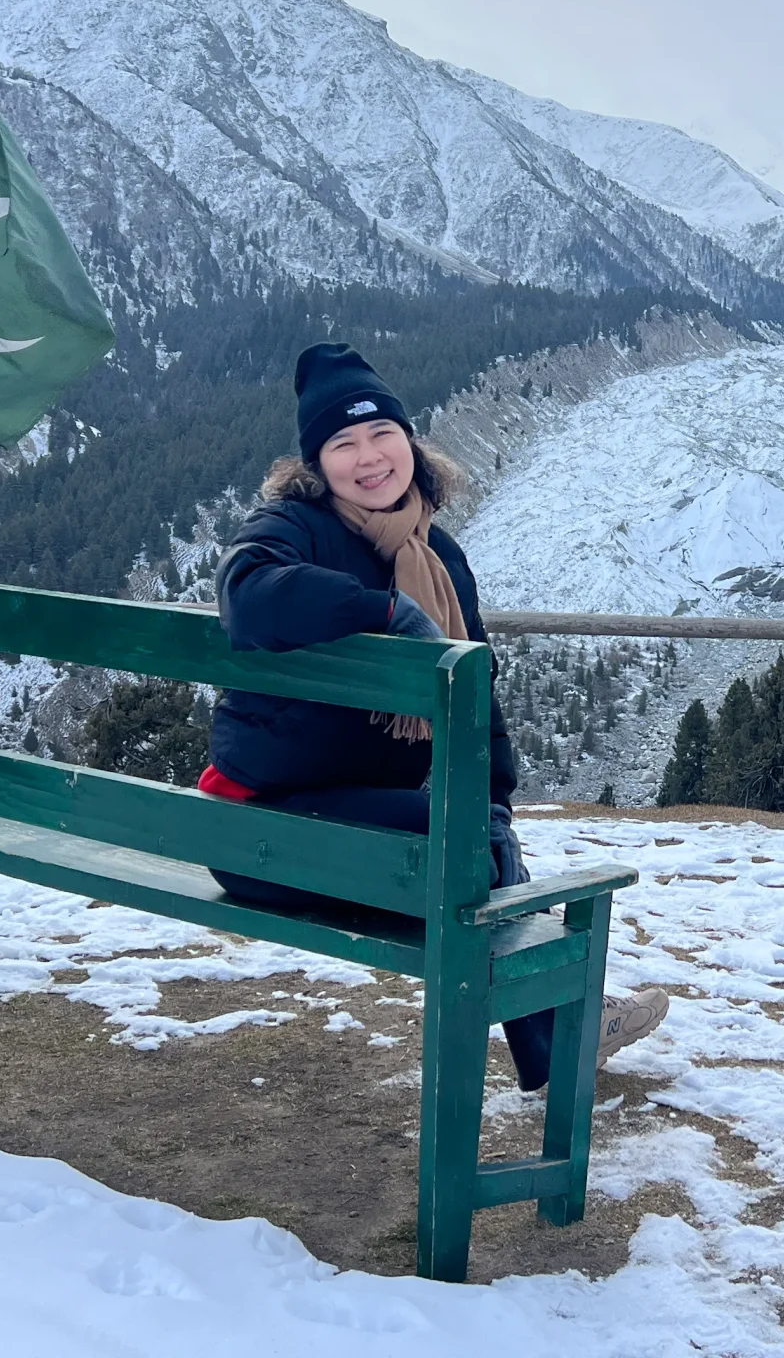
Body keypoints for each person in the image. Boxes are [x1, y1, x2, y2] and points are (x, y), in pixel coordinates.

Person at [201, 341, 668, 1092]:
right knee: (470, 855)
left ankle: (558, 1033)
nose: (368, 457)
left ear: (410, 441)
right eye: (342, 443)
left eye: (381, 433)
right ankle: (561, 1036)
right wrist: (385, 610)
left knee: (477, 841)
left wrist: (496, 800)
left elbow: (478, 696)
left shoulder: (439, 555)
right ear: (316, 465)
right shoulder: (294, 527)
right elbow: (247, 595)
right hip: (256, 827)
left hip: (344, 820)